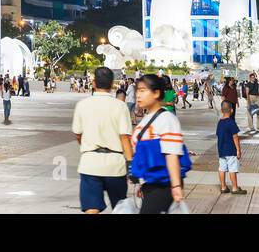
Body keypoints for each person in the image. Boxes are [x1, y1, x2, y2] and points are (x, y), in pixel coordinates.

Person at [71, 66, 132, 213]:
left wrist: (87, 145)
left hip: (90, 163)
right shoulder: (120, 106)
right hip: (115, 165)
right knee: (120, 208)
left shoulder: (82, 105)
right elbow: (124, 137)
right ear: (112, 85)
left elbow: (78, 134)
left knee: (91, 209)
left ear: (93, 83)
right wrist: (130, 163)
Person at [129, 73, 187, 214]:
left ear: (156, 93)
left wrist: (176, 186)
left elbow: (171, 155)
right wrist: (143, 185)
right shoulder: (146, 119)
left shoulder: (167, 119)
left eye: (143, 90)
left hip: (163, 186)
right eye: (137, 90)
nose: (138, 95)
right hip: (150, 185)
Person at [216, 100, 245, 195]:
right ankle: (235, 188)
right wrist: (238, 150)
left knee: (222, 168)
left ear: (221, 110)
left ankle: (223, 187)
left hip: (221, 150)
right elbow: (235, 137)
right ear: (232, 110)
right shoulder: (231, 123)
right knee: (232, 169)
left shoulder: (220, 123)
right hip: (231, 150)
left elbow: (218, 135)